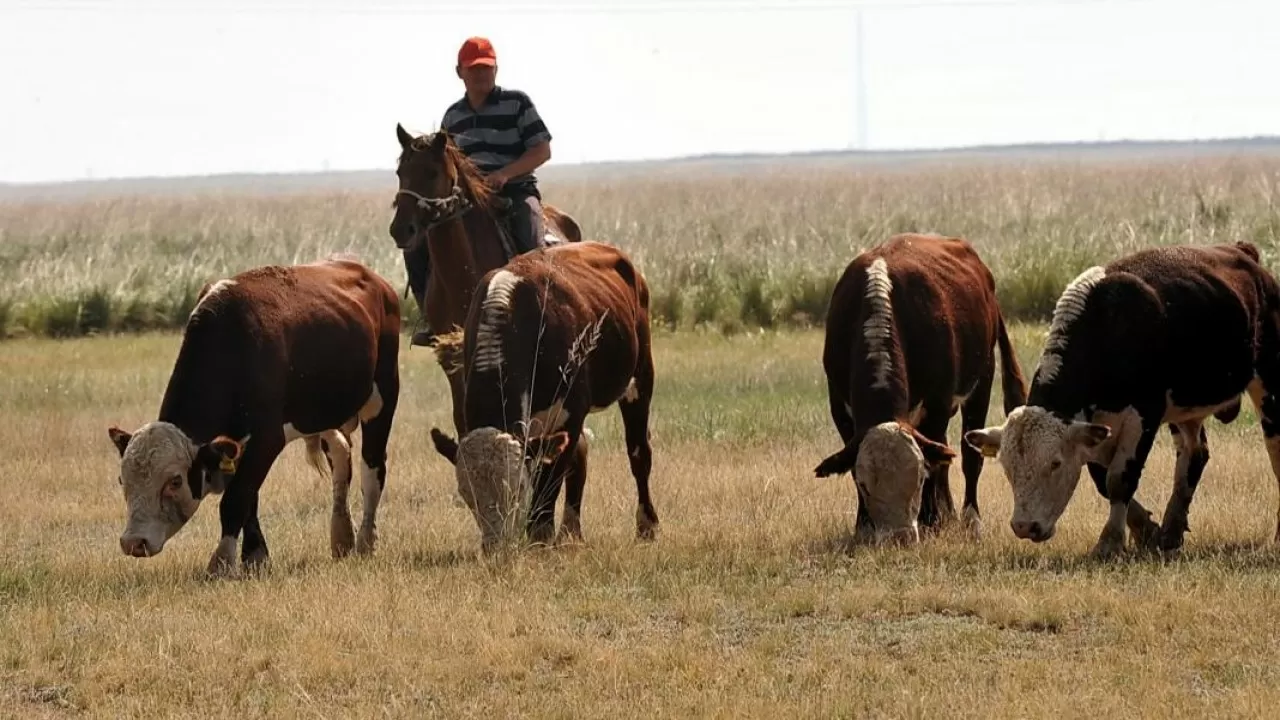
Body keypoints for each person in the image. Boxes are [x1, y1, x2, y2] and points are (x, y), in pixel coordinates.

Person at [407, 35, 554, 347]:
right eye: (473, 69)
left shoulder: (517, 103)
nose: (481, 75)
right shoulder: (452, 116)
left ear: (496, 69)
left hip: (514, 191)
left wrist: (505, 173)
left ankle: (546, 314)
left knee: (532, 237)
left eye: (486, 68)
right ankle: (431, 318)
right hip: (466, 201)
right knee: (416, 245)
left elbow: (542, 150)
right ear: (460, 72)